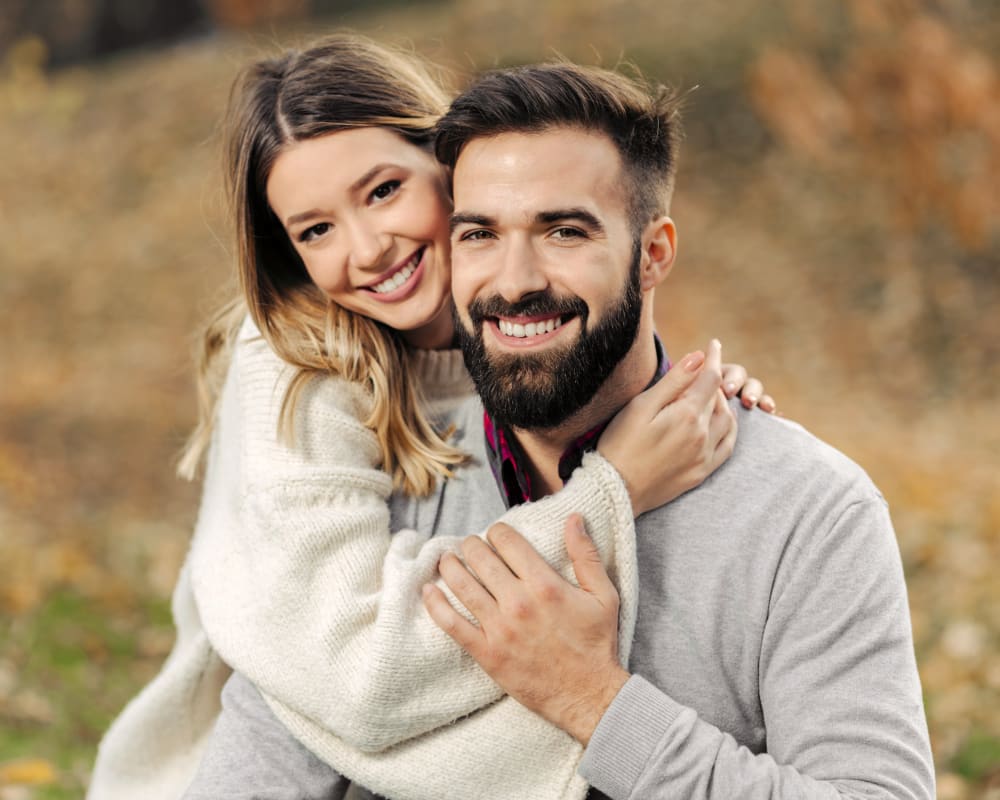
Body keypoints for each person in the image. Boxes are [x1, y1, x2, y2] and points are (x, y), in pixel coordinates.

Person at [186, 61, 935, 799]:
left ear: (654, 254)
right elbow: (276, 739)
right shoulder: (388, 463)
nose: (514, 281)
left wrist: (595, 703)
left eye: (564, 231)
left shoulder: (805, 510)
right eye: (480, 233)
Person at [87, 36, 774, 800]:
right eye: (315, 230)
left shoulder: (513, 329)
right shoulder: (297, 367)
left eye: (382, 191)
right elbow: (355, 679)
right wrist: (618, 485)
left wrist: (681, 396)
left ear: (449, 165)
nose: (368, 248)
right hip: (262, 755)